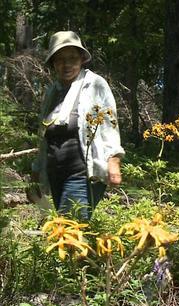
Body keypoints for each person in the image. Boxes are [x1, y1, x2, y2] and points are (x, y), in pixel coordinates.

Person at [32, 31, 124, 220]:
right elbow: (44, 137)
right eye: (60, 59)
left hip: (81, 174)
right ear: (53, 63)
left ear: (82, 59)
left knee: (71, 229)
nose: (67, 64)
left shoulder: (94, 85)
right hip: (55, 174)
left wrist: (114, 161)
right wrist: (36, 169)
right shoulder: (52, 92)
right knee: (63, 232)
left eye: (72, 58)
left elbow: (109, 124)